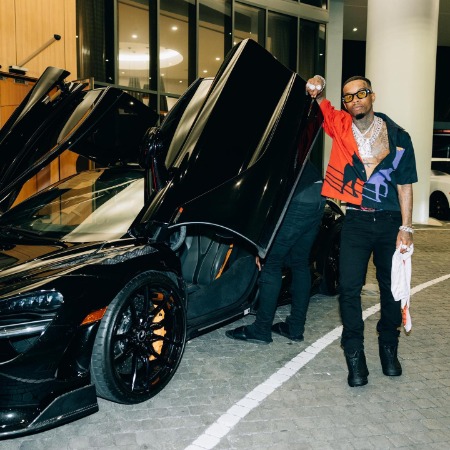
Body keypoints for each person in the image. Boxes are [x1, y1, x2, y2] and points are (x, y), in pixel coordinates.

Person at [305, 74, 417, 387]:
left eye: (361, 93)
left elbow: (405, 184)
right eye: (349, 97)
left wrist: (406, 227)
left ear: (372, 96)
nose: (355, 100)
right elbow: (319, 103)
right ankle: (355, 356)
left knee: (391, 288)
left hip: (389, 221)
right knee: (349, 289)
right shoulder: (340, 126)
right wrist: (317, 85)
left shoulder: (397, 136)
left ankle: (388, 347)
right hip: (355, 221)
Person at [226, 159, 326, 344]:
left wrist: (260, 245)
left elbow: (263, 204)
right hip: (318, 191)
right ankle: (295, 328)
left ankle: (261, 329)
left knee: (270, 263)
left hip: (298, 196)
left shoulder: (257, 152)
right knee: (300, 262)